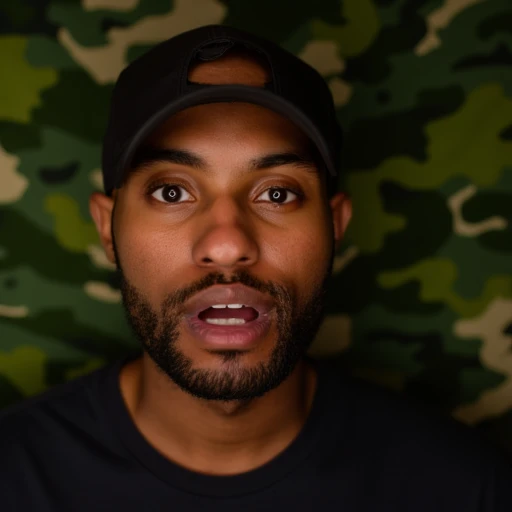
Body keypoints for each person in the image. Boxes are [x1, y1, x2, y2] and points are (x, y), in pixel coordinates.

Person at [0, 24, 511, 512]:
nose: (226, 245)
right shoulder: (16, 477)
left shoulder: (463, 489)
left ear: (334, 226)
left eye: (277, 193)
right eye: (172, 192)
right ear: (109, 229)